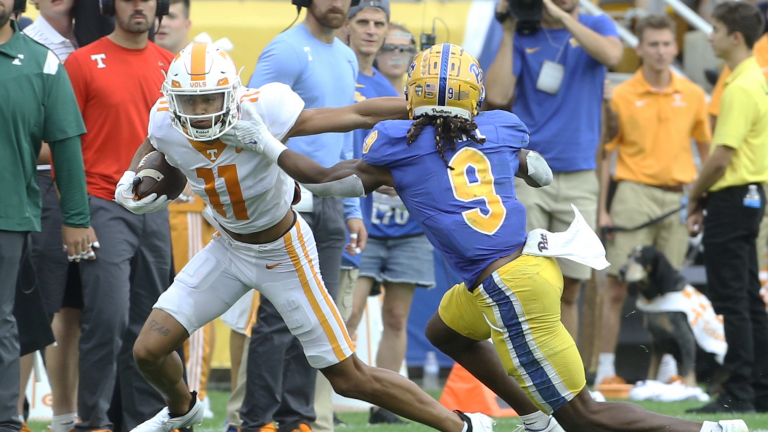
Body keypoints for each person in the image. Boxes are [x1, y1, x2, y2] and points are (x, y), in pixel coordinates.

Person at [246, 41, 751, 432]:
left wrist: (264, 142)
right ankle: (532, 416)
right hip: (525, 263)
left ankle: (712, 427)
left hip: (509, 284)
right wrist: (526, 167)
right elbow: (536, 169)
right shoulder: (503, 130)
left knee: (585, 417)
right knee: (445, 332)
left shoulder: (396, 147)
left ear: (413, 95)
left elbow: (323, 181)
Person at [117, 41, 494, 432]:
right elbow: (157, 144)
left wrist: (429, 108)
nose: (198, 112)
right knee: (148, 351)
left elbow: (355, 113)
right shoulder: (164, 117)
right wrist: (135, 177)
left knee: (348, 376)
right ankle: (183, 411)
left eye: (209, 100)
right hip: (227, 249)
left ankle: (461, 425)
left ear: (232, 92)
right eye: (189, 102)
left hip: (283, 253)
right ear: (172, 99)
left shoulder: (263, 109)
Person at [244, 0, 366, 428]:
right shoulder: (285, 50)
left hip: (332, 202)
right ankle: (257, 420)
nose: (337, 2)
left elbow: (348, 134)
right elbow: (252, 124)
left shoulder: (347, 55)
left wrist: (352, 207)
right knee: (278, 318)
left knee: (318, 318)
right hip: (288, 200)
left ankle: (297, 418)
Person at [63, 0, 175, 429]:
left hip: (156, 209)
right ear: (110, 6)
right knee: (107, 319)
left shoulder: (171, 65)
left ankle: (145, 422)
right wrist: (76, 214)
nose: (139, 5)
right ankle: (92, 420)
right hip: (103, 203)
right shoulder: (81, 62)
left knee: (153, 326)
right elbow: (63, 142)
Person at [484, 0, 622, 341]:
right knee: (524, 278)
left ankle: (568, 387)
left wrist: (561, 16)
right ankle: (522, 380)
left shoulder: (597, 25)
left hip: (580, 175)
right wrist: (509, 29)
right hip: (529, 172)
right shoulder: (522, 33)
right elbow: (498, 94)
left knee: (572, 287)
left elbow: (613, 56)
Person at [595, 14, 712, 386]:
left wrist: (702, 200)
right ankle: (606, 371)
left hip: (679, 195)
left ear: (675, 47)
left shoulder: (693, 93)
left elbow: (706, 152)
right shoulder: (623, 93)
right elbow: (606, 155)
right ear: (639, 48)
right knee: (615, 285)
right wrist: (602, 207)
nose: (661, 51)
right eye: (653, 44)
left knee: (672, 292)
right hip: (632, 193)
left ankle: (670, 373)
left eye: (666, 43)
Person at [341, 1, 434, 426]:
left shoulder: (422, 93)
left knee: (396, 316)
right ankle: (322, 403)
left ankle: (386, 406)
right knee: (350, 310)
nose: (395, 52)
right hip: (362, 215)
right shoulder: (353, 81)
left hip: (409, 222)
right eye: (386, 41)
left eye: (404, 46)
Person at [0, 1, 92, 430]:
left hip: (9, 215)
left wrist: (76, 216)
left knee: (3, 320)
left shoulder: (43, 63)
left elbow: (66, 142)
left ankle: (5, 422)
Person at [685, 1, 768, 414]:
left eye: (715, 29)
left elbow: (720, 158)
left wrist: (694, 195)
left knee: (733, 299)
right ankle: (759, 388)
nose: (708, 35)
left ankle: (739, 392)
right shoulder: (757, 79)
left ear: (735, 37)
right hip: (751, 196)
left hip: (734, 198)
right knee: (749, 297)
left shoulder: (739, 86)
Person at [373, 23, 417, 97]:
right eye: (389, 48)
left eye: (404, 48)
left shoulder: (417, 99)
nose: (397, 54)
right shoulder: (360, 95)